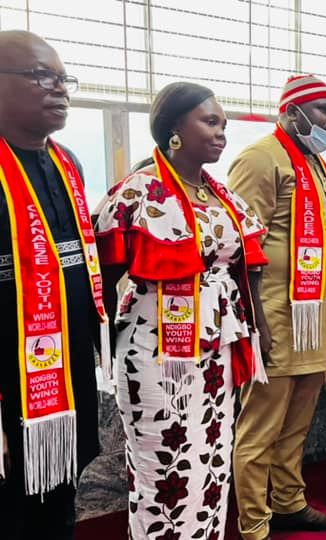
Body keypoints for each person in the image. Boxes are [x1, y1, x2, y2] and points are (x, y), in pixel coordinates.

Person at [95, 82, 269, 540]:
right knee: (165, 463)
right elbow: (102, 275)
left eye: (224, 125)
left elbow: (246, 270)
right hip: (154, 351)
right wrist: (106, 346)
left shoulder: (223, 196)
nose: (221, 133)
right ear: (175, 127)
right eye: (210, 122)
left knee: (212, 458)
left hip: (216, 347)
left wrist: (257, 329)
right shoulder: (136, 193)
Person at [228, 75, 326, 539]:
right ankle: (254, 525)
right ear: (291, 111)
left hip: (315, 321)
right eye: (322, 111)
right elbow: (245, 247)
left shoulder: (317, 164)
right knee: (260, 429)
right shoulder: (261, 158)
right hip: (276, 318)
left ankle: (289, 504)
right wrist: (256, 321)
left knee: (297, 425)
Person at [0, 30, 106, 539]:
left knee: (60, 490)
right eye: (42, 76)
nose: (59, 89)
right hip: (6, 373)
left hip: (63, 367)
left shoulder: (69, 165)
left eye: (65, 79)